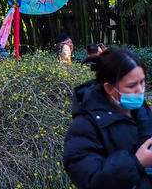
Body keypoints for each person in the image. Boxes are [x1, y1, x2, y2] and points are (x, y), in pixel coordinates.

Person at [64, 47, 152, 189]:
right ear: (109, 88)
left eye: (142, 82)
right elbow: (91, 180)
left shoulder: (142, 111)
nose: (140, 90)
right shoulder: (85, 126)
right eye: (132, 85)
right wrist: (137, 162)